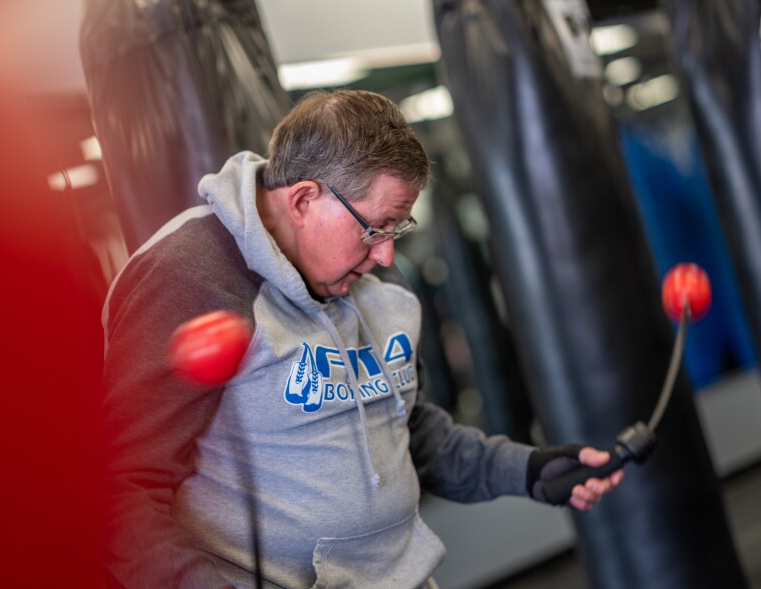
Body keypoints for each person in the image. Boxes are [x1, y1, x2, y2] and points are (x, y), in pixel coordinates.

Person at [101, 89, 624, 589]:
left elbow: (408, 432)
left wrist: (531, 469)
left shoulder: (369, 276)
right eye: (377, 227)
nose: (387, 256)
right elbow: (118, 489)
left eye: (398, 229)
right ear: (305, 199)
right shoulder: (188, 274)